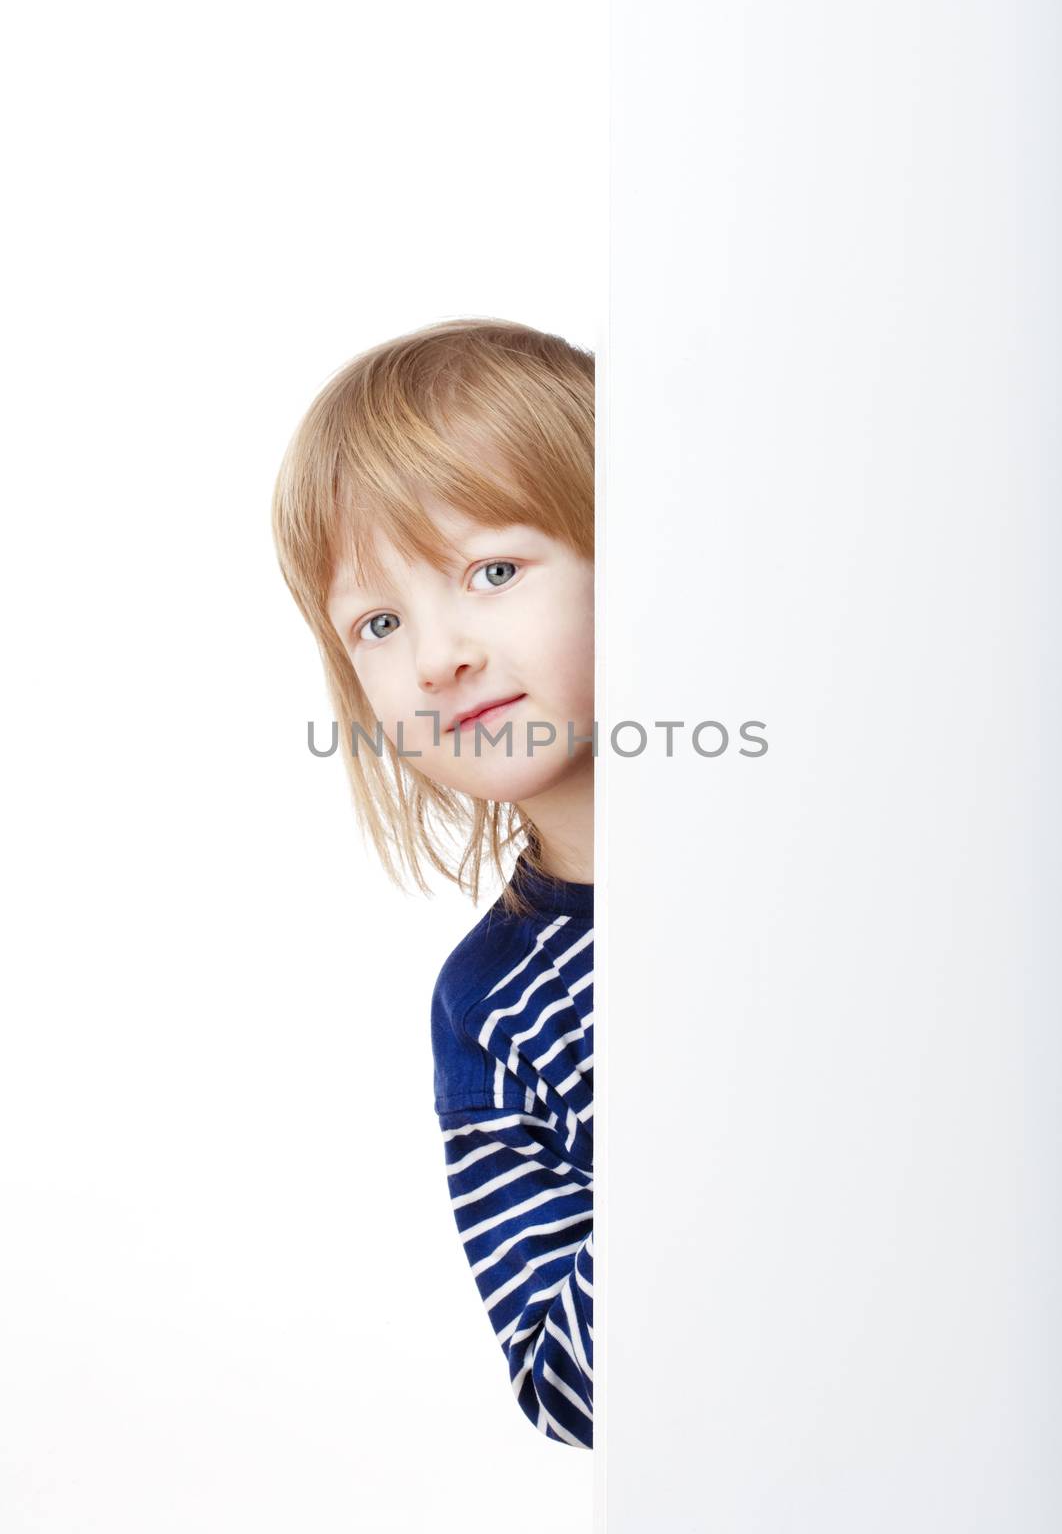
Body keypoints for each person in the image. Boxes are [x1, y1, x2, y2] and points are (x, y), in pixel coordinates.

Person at [270, 317, 595, 1448]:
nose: (436, 655)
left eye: (493, 570)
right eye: (378, 620)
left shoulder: (829, 852)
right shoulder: (493, 1004)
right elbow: (566, 1387)